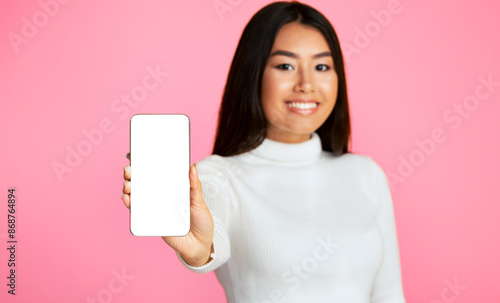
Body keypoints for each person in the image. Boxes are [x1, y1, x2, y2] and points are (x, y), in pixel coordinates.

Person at [122, 1, 406, 302]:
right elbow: (209, 243)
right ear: (253, 74)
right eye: (285, 66)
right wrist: (200, 250)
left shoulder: (365, 174)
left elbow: (388, 294)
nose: (307, 84)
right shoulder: (216, 177)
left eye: (322, 66)